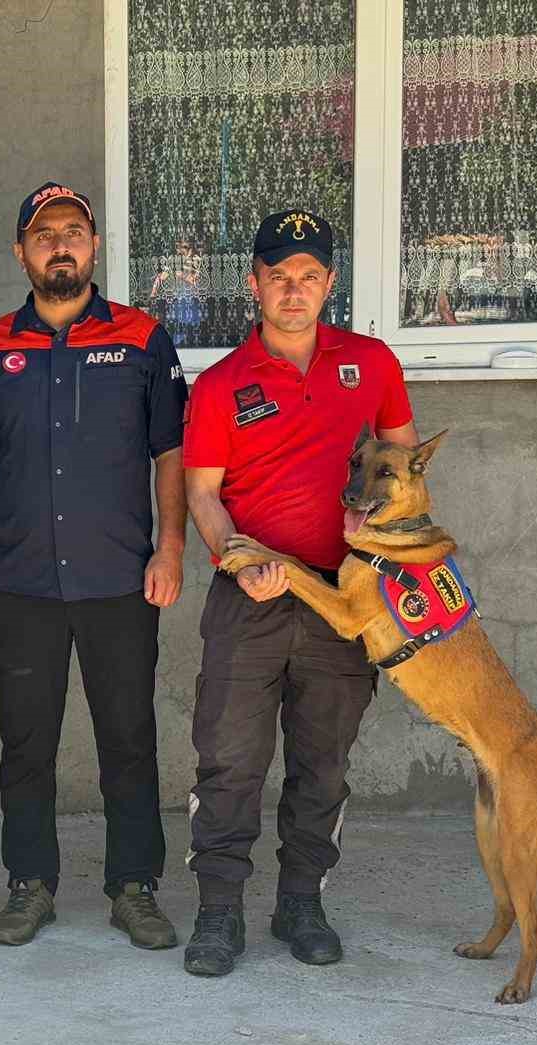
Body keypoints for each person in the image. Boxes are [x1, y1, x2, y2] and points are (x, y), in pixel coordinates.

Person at [181, 209, 418, 978]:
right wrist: (235, 558)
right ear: (254, 284)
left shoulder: (373, 364)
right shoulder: (221, 385)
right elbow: (204, 495)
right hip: (250, 596)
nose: (294, 290)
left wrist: (390, 557)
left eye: (309, 277)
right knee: (228, 759)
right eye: (279, 276)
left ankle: (302, 901)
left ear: (329, 284)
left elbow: (405, 474)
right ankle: (219, 912)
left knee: (323, 762)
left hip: (341, 602)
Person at [0, 182, 188, 949]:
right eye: (45, 233)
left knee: (128, 736)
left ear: (93, 246)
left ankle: (134, 887)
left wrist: (172, 545)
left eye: (75, 232)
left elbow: (171, 454)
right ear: (21, 251)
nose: (61, 243)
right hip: (22, 582)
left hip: (121, 578)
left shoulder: (143, 340)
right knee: (27, 743)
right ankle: (30, 884)